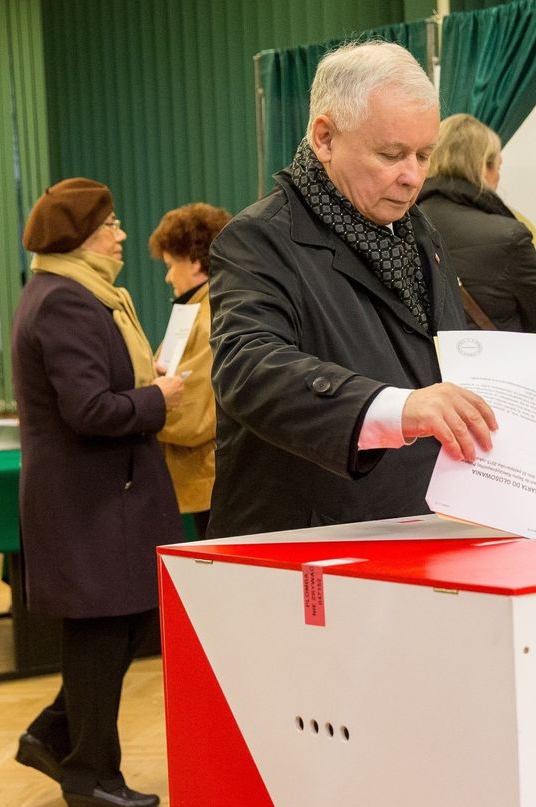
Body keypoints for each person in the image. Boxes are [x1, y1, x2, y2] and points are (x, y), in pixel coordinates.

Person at [207, 41, 497, 538]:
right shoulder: (258, 239)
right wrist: (395, 407)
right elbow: (248, 367)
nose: (412, 177)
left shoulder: (422, 235)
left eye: (424, 155)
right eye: (391, 154)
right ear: (325, 137)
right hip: (314, 543)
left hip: (420, 527)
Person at [11, 178, 185, 807]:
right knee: (103, 631)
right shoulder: (67, 301)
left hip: (104, 497)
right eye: (109, 225)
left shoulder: (75, 293)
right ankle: (89, 775)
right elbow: (87, 409)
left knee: (126, 623)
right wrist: (156, 399)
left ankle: (57, 736)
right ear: (78, 236)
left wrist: (145, 389)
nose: (120, 236)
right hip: (89, 500)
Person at [416, 113, 536, 335]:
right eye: (497, 166)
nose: (498, 177)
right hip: (491, 367)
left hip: (417, 366)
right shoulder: (508, 236)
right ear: (482, 167)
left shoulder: (400, 223)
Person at [148, 202, 231, 539]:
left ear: (195, 261)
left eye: (171, 265)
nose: (168, 276)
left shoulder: (209, 314)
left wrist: (143, 407)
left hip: (210, 477)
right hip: (202, 476)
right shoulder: (197, 309)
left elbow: (195, 410)